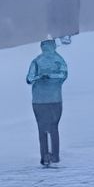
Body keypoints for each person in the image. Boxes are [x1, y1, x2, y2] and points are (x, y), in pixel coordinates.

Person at [26, 39, 69, 168]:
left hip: (39, 101)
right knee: (54, 128)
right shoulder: (59, 60)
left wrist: (42, 77)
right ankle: (55, 156)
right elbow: (64, 75)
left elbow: (29, 78)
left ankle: (45, 156)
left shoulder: (37, 61)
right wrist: (51, 77)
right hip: (55, 100)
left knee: (42, 130)